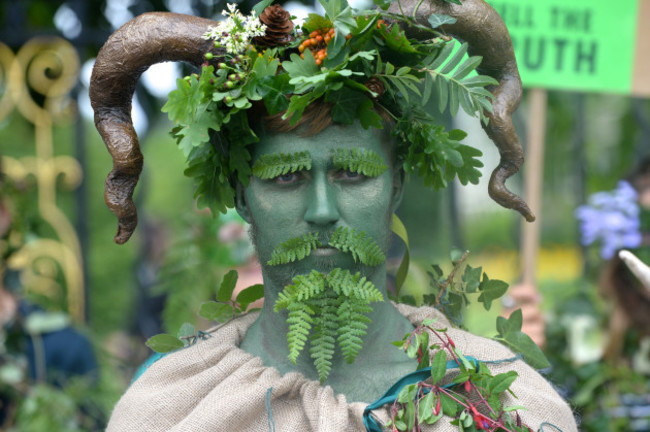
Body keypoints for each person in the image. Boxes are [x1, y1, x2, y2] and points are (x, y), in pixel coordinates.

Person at [89, 1, 577, 430]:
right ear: (241, 196)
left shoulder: (506, 405)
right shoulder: (173, 408)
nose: (322, 211)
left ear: (396, 186)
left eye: (351, 174)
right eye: (285, 178)